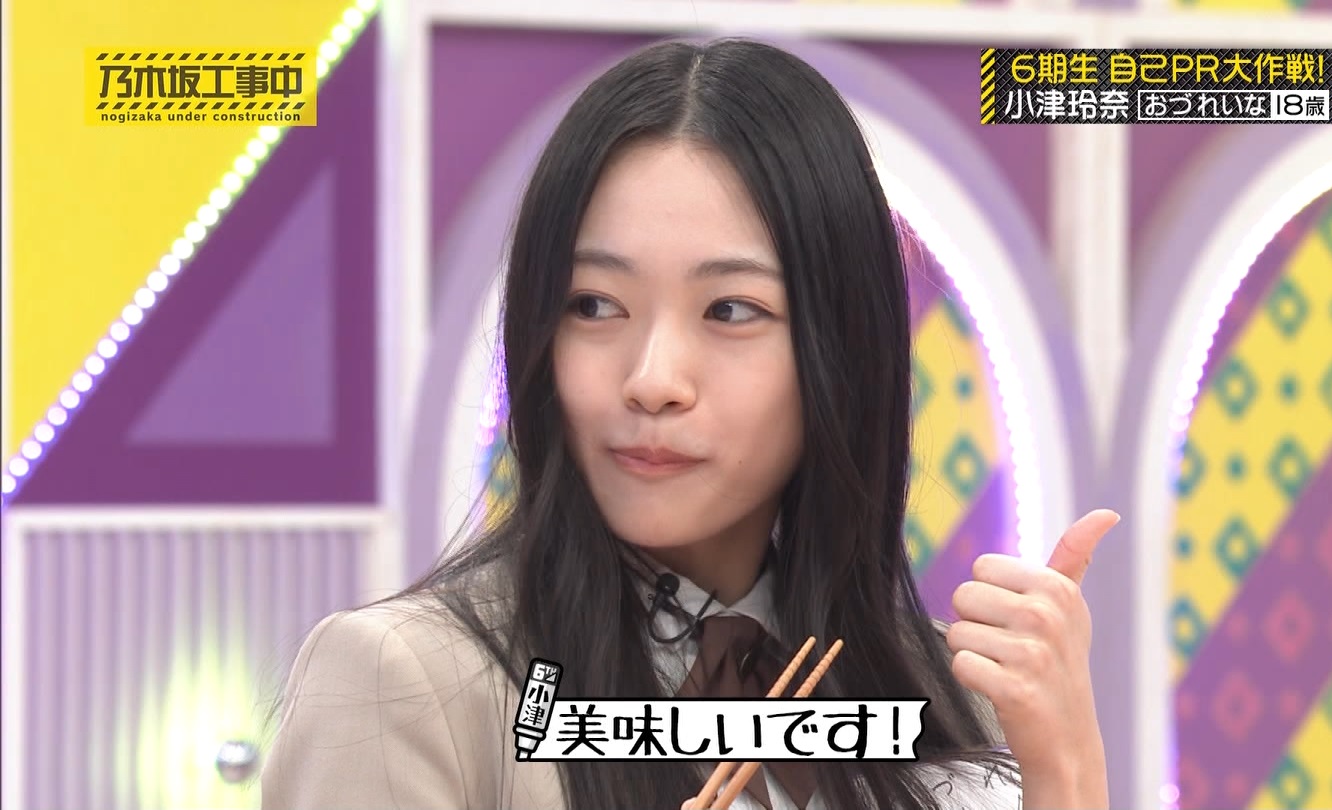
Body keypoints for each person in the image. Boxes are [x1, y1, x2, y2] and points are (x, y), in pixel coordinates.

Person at [259, 36, 1115, 810]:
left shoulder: (959, 701)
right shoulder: (404, 684)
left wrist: (1068, 771)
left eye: (730, 310)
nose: (652, 380)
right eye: (594, 305)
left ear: (842, 350)